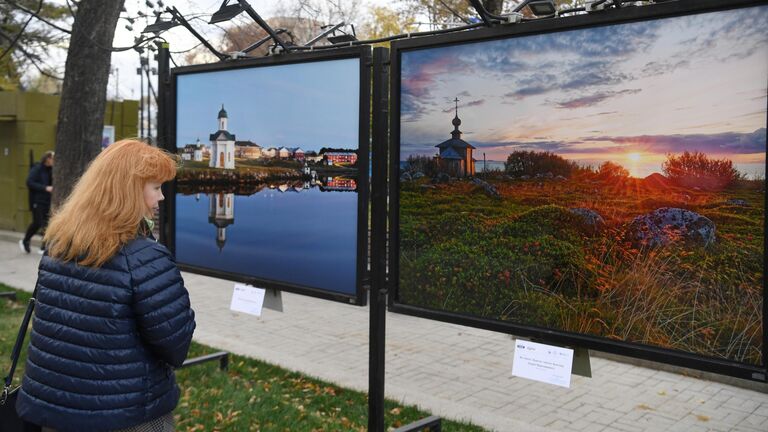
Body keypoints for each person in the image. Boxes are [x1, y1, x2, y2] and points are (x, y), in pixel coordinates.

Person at [15, 140, 196, 432]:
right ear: (128, 192)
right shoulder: (143, 258)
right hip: (126, 416)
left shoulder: (60, 244)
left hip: (51, 410)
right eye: (155, 187)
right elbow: (177, 345)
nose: (161, 197)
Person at [20, 151, 54, 254]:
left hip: (46, 201)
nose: (55, 160)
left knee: (44, 224)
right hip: (36, 201)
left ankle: (39, 245)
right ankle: (29, 241)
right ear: (47, 159)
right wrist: (45, 188)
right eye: (53, 158)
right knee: (39, 223)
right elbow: (29, 182)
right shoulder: (37, 168)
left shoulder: (51, 170)